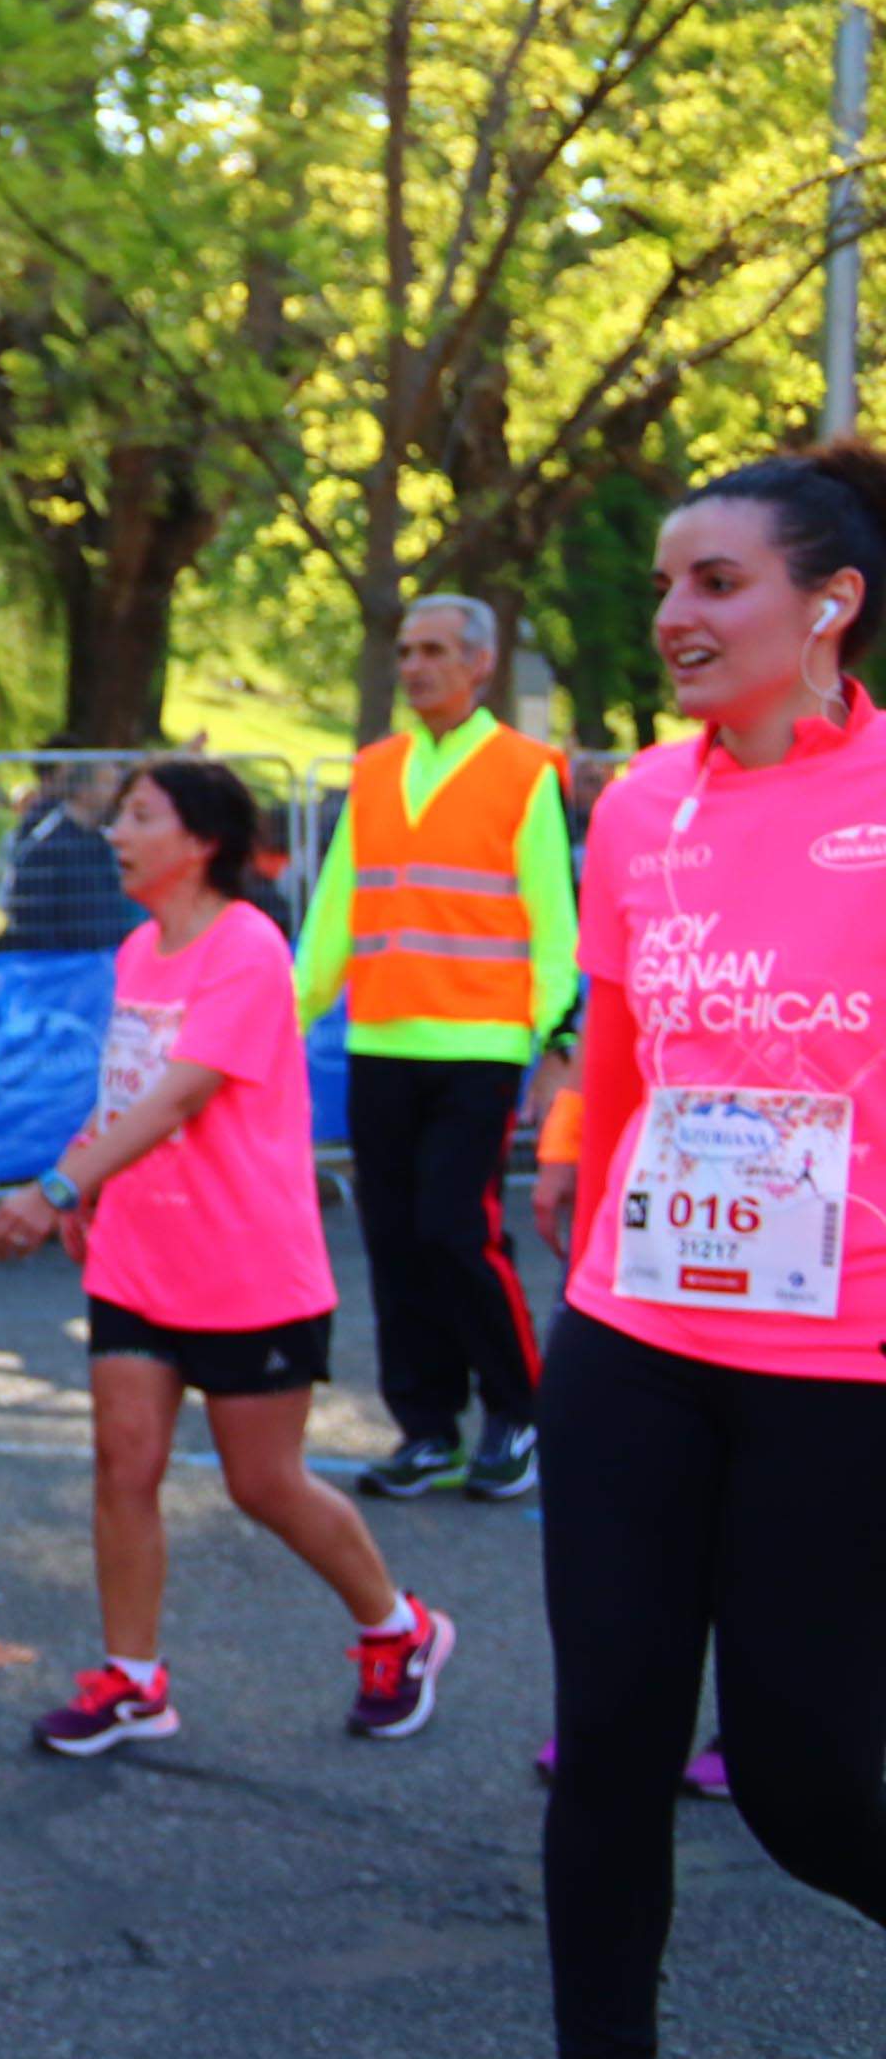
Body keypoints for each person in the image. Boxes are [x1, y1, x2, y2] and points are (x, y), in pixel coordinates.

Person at [461, 441, 886, 2059]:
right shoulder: (631, 804)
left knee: (798, 1780)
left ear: (826, 603)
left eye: (711, 584)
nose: (669, 618)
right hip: (632, 1339)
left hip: (839, 1360)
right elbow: (616, 1052)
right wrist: (575, 1193)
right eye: (659, 586)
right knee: (609, 1746)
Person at [0, 760, 453, 1753]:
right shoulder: (138, 949)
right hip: (137, 1259)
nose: (117, 832)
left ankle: (399, 1629)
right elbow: (125, 1089)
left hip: (246, 1263)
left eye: (140, 817)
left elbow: (181, 1095)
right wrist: (85, 1175)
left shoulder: (248, 945)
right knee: (124, 1462)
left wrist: (53, 1187)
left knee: (263, 1482)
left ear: (201, 841)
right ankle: (134, 1678)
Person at [295, 595, 573, 1502]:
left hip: (481, 1045)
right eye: (406, 650)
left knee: (459, 1232)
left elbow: (551, 916)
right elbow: (335, 912)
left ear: (480, 663)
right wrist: (281, 1023)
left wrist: (553, 1040)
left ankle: (518, 1412)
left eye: (434, 651)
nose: (414, 666)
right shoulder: (374, 770)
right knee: (392, 1241)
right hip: (381, 1040)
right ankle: (425, 1428)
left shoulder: (528, 768)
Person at [0, 761, 129, 951]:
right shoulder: (45, 847)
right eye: (108, 784)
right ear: (83, 790)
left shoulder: (102, 842)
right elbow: (31, 921)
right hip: (64, 971)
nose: (117, 794)